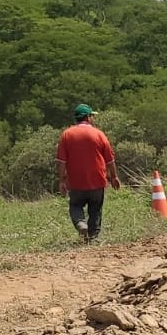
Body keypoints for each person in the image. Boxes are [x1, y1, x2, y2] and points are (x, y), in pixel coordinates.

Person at [56, 103, 119, 242]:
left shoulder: (66, 135)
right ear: (88, 117)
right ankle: (93, 237)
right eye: (92, 116)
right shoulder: (99, 134)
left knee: (75, 205)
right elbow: (110, 159)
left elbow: (61, 161)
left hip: (76, 182)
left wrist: (61, 180)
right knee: (95, 209)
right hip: (97, 181)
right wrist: (114, 176)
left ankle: (80, 223)